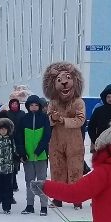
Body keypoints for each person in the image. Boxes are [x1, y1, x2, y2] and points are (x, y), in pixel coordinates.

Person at [43, 62, 87, 210]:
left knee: (75, 168)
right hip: (56, 139)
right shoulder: (53, 102)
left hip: (74, 140)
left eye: (67, 78)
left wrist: (63, 120)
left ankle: (77, 198)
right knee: (57, 168)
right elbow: (48, 121)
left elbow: (80, 120)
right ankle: (57, 198)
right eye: (59, 80)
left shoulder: (78, 102)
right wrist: (53, 119)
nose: (64, 83)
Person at [16, 95, 51, 215]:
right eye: (31, 105)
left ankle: (43, 206)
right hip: (28, 157)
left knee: (42, 181)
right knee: (29, 181)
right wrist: (22, 153)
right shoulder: (24, 119)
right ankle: (29, 205)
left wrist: (39, 150)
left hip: (41, 155)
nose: (34, 107)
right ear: (28, 106)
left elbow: (47, 135)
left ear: (40, 106)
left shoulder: (44, 118)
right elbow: (19, 137)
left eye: (36, 105)